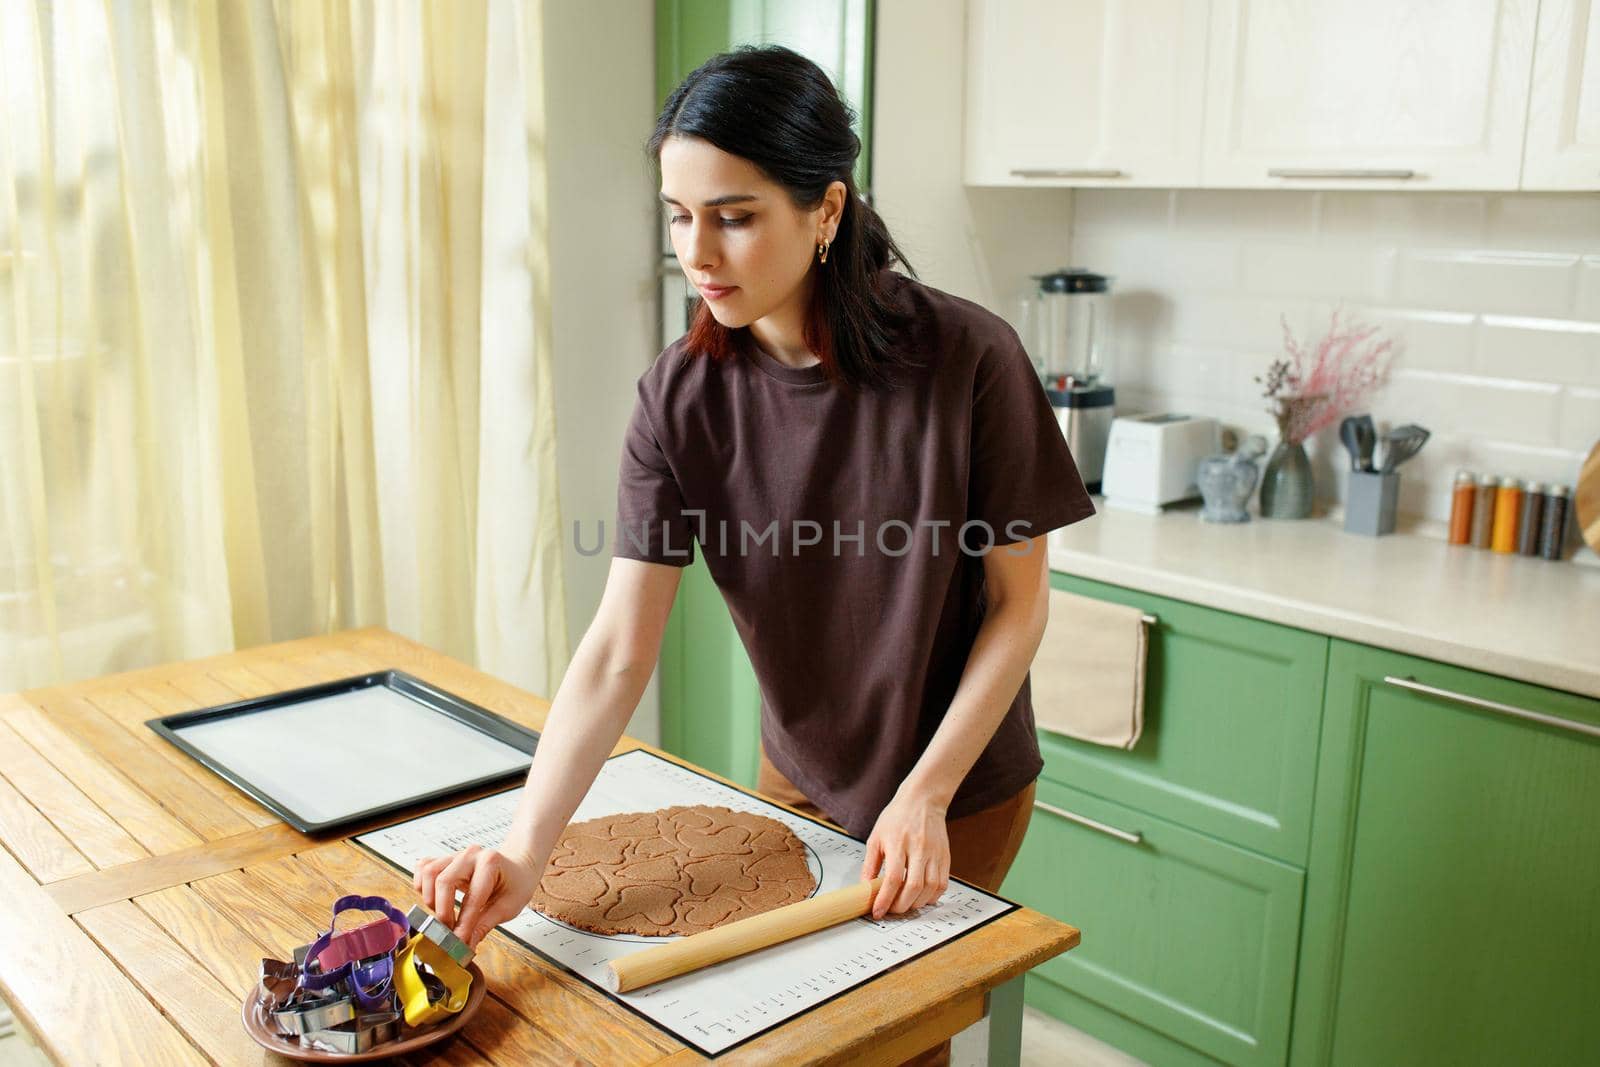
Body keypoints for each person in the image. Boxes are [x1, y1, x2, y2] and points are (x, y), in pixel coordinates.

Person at [415, 44, 1094, 1065]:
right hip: (799, 764)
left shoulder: (968, 359)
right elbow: (614, 652)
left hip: (958, 774)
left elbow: (1017, 608)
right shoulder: (677, 399)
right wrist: (524, 847)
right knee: (792, 1036)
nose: (699, 251)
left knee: (893, 1038)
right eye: (679, 215)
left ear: (824, 211)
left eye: (734, 215)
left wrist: (925, 791)